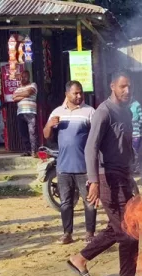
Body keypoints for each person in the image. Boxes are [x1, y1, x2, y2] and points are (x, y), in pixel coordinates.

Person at [67, 71, 141, 276]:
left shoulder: (126, 113)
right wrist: (94, 181)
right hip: (106, 177)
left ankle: (80, 258)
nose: (127, 91)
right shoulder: (103, 112)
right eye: (122, 87)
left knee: (116, 226)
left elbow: (126, 148)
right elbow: (91, 148)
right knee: (129, 229)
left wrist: (132, 180)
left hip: (123, 177)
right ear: (112, 87)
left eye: (129, 87)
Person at [43, 80, 97, 245]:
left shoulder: (90, 112)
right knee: (66, 203)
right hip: (63, 167)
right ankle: (67, 233)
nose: (79, 95)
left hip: (84, 167)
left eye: (81, 92)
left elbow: (96, 137)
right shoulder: (57, 112)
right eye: (75, 93)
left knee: (89, 202)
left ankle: (90, 234)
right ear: (67, 94)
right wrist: (50, 125)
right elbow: (46, 135)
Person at [12, 70, 38, 155]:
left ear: (29, 77)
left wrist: (20, 95)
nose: (23, 78)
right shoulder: (18, 88)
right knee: (23, 133)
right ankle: (27, 151)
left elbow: (28, 92)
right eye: (22, 77)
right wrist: (25, 96)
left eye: (25, 76)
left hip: (30, 112)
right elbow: (14, 98)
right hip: (20, 112)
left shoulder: (33, 85)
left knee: (32, 132)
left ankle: (34, 151)